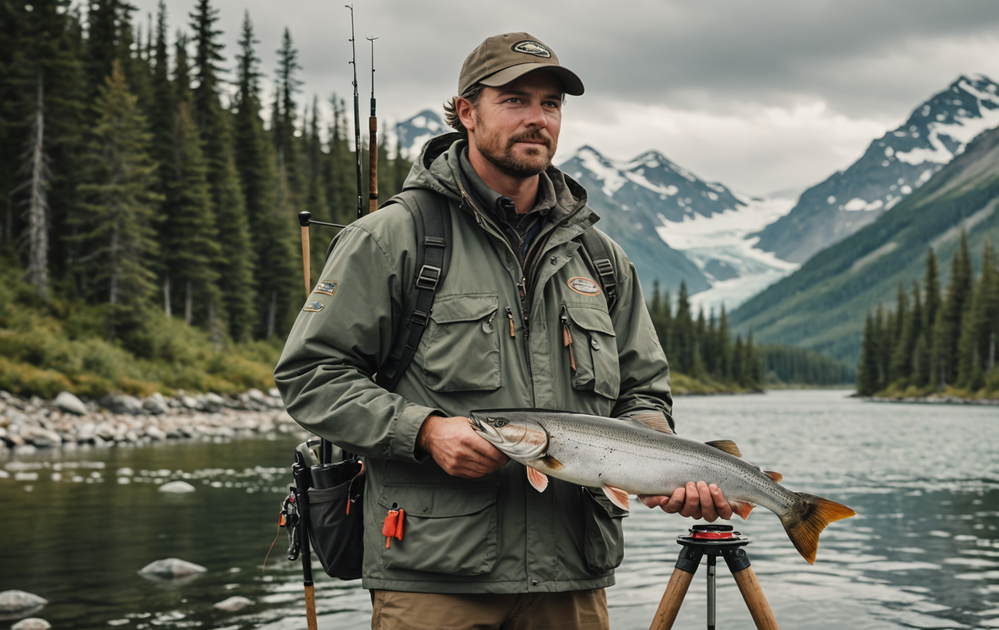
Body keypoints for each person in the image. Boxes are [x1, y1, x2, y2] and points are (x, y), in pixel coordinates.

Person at [274, 32, 732, 630]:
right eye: (515, 99)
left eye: (551, 103)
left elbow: (642, 393)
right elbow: (311, 376)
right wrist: (425, 431)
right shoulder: (392, 238)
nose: (537, 118)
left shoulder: (600, 258)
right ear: (467, 111)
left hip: (572, 575)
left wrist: (655, 463)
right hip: (434, 579)